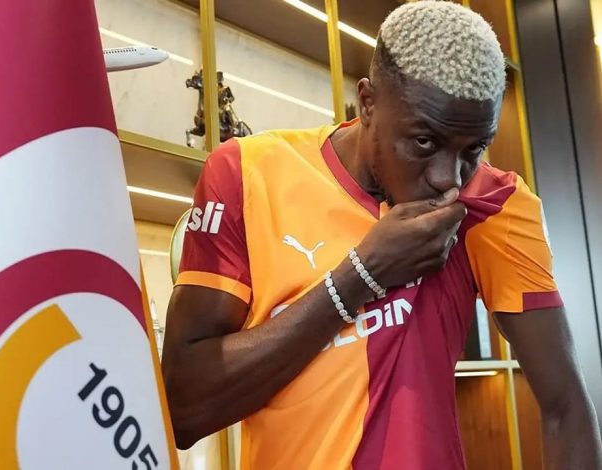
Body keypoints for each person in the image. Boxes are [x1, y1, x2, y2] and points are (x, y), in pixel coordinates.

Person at [161, 1, 602, 469]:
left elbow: (566, 408)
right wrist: (360, 276)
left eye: (474, 149)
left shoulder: (494, 202)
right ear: (368, 102)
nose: (449, 179)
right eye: (424, 142)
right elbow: (184, 411)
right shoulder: (245, 173)